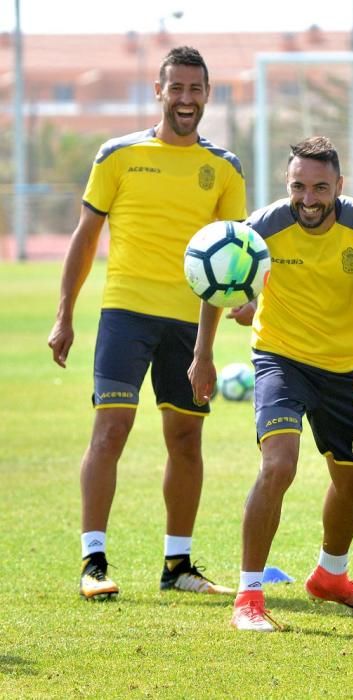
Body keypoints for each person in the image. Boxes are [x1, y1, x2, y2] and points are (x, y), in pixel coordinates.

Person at [48, 46, 247, 600]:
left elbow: (231, 258)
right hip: (125, 314)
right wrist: (64, 316)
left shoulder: (225, 169)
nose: (185, 100)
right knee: (110, 430)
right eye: (175, 89)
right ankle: (93, 562)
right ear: (158, 92)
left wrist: (218, 334)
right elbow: (84, 239)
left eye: (195, 89)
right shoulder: (117, 155)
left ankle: (177, 565)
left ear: (208, 94)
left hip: (188, 324)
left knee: (186, 438)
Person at [189, 135, 353, 631]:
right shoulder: (261, 228)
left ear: (339, 186)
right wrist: (203, 354)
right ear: (288, 184)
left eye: (320, 188)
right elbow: (217, 281)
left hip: (342, 370)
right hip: (279, 361)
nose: (308, 199)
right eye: (298, 186)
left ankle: (331, 577)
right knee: (278, 466)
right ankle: (248, 597)